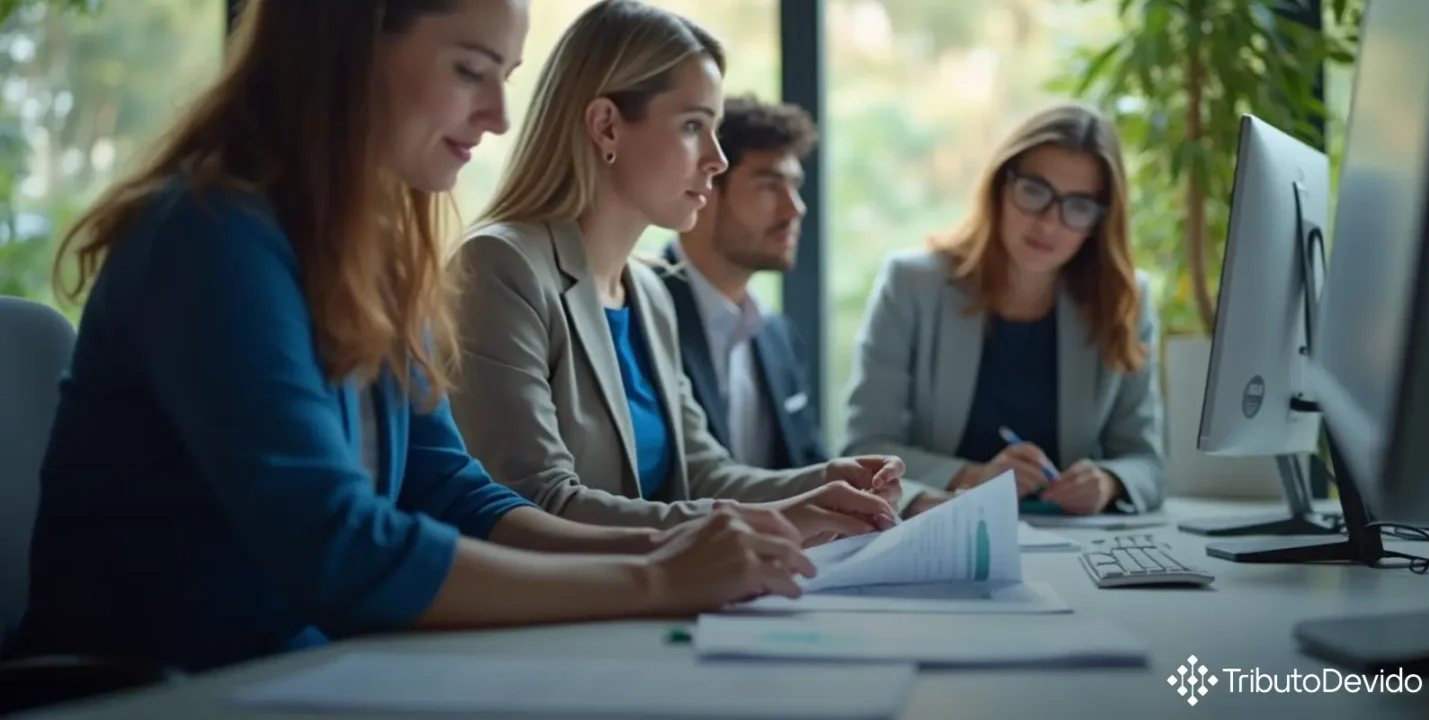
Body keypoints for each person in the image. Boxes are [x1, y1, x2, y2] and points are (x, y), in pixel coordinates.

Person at [4, 0, 820, 674]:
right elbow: (339, 544)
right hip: (156, 689)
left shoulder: (378, 258)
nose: (500, 117)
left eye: (505, 79)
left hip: (307, 671)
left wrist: (675, 552)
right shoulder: (210, 236)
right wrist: (652, 578)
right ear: (346, 48)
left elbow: (453, 493)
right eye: (470, 70)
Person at [449, 0, 905, 541]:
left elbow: (704, 473)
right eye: (694, 126)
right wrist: (778, 518)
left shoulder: (650, 291)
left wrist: (823, 485)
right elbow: (537, 503)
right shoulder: (501, 268)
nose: (717, 158)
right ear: (606, 127)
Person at [841, 103, 1165, 517]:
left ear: (1100, 222)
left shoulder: (1123, 301)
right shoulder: (911, 285)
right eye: (1034, 191)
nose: (1049, 223)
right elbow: (864, 449)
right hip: (940, 531)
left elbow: (1147, 463)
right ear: (1000, 186)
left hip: (1072, 542)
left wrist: (1108, 482)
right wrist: (972, 478)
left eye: (1078, 205)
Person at [659, 95, 826, 472]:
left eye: (794, 186)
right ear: (703, 190)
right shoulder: (636, 312)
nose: (795, 208)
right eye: (769, 186)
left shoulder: (778, 334)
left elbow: (811, 467)